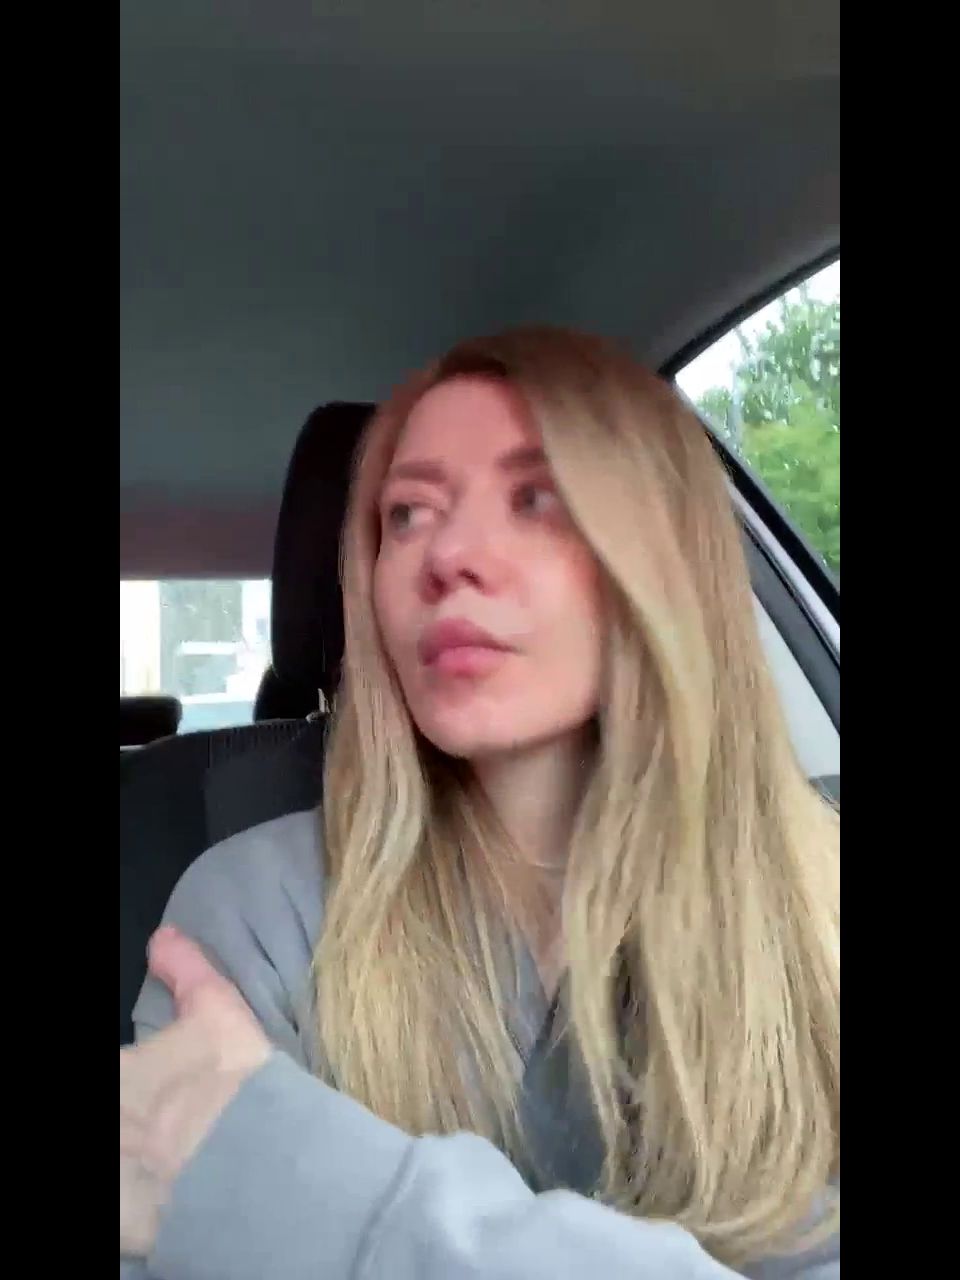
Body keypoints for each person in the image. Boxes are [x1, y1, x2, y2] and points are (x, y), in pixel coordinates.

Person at [120, 327, 840, 1278]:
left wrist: (310, 1200)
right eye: (408, 514)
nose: (448, 555)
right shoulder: (253, 913)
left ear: (665, 558)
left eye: (537, 498)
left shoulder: (818, 906)